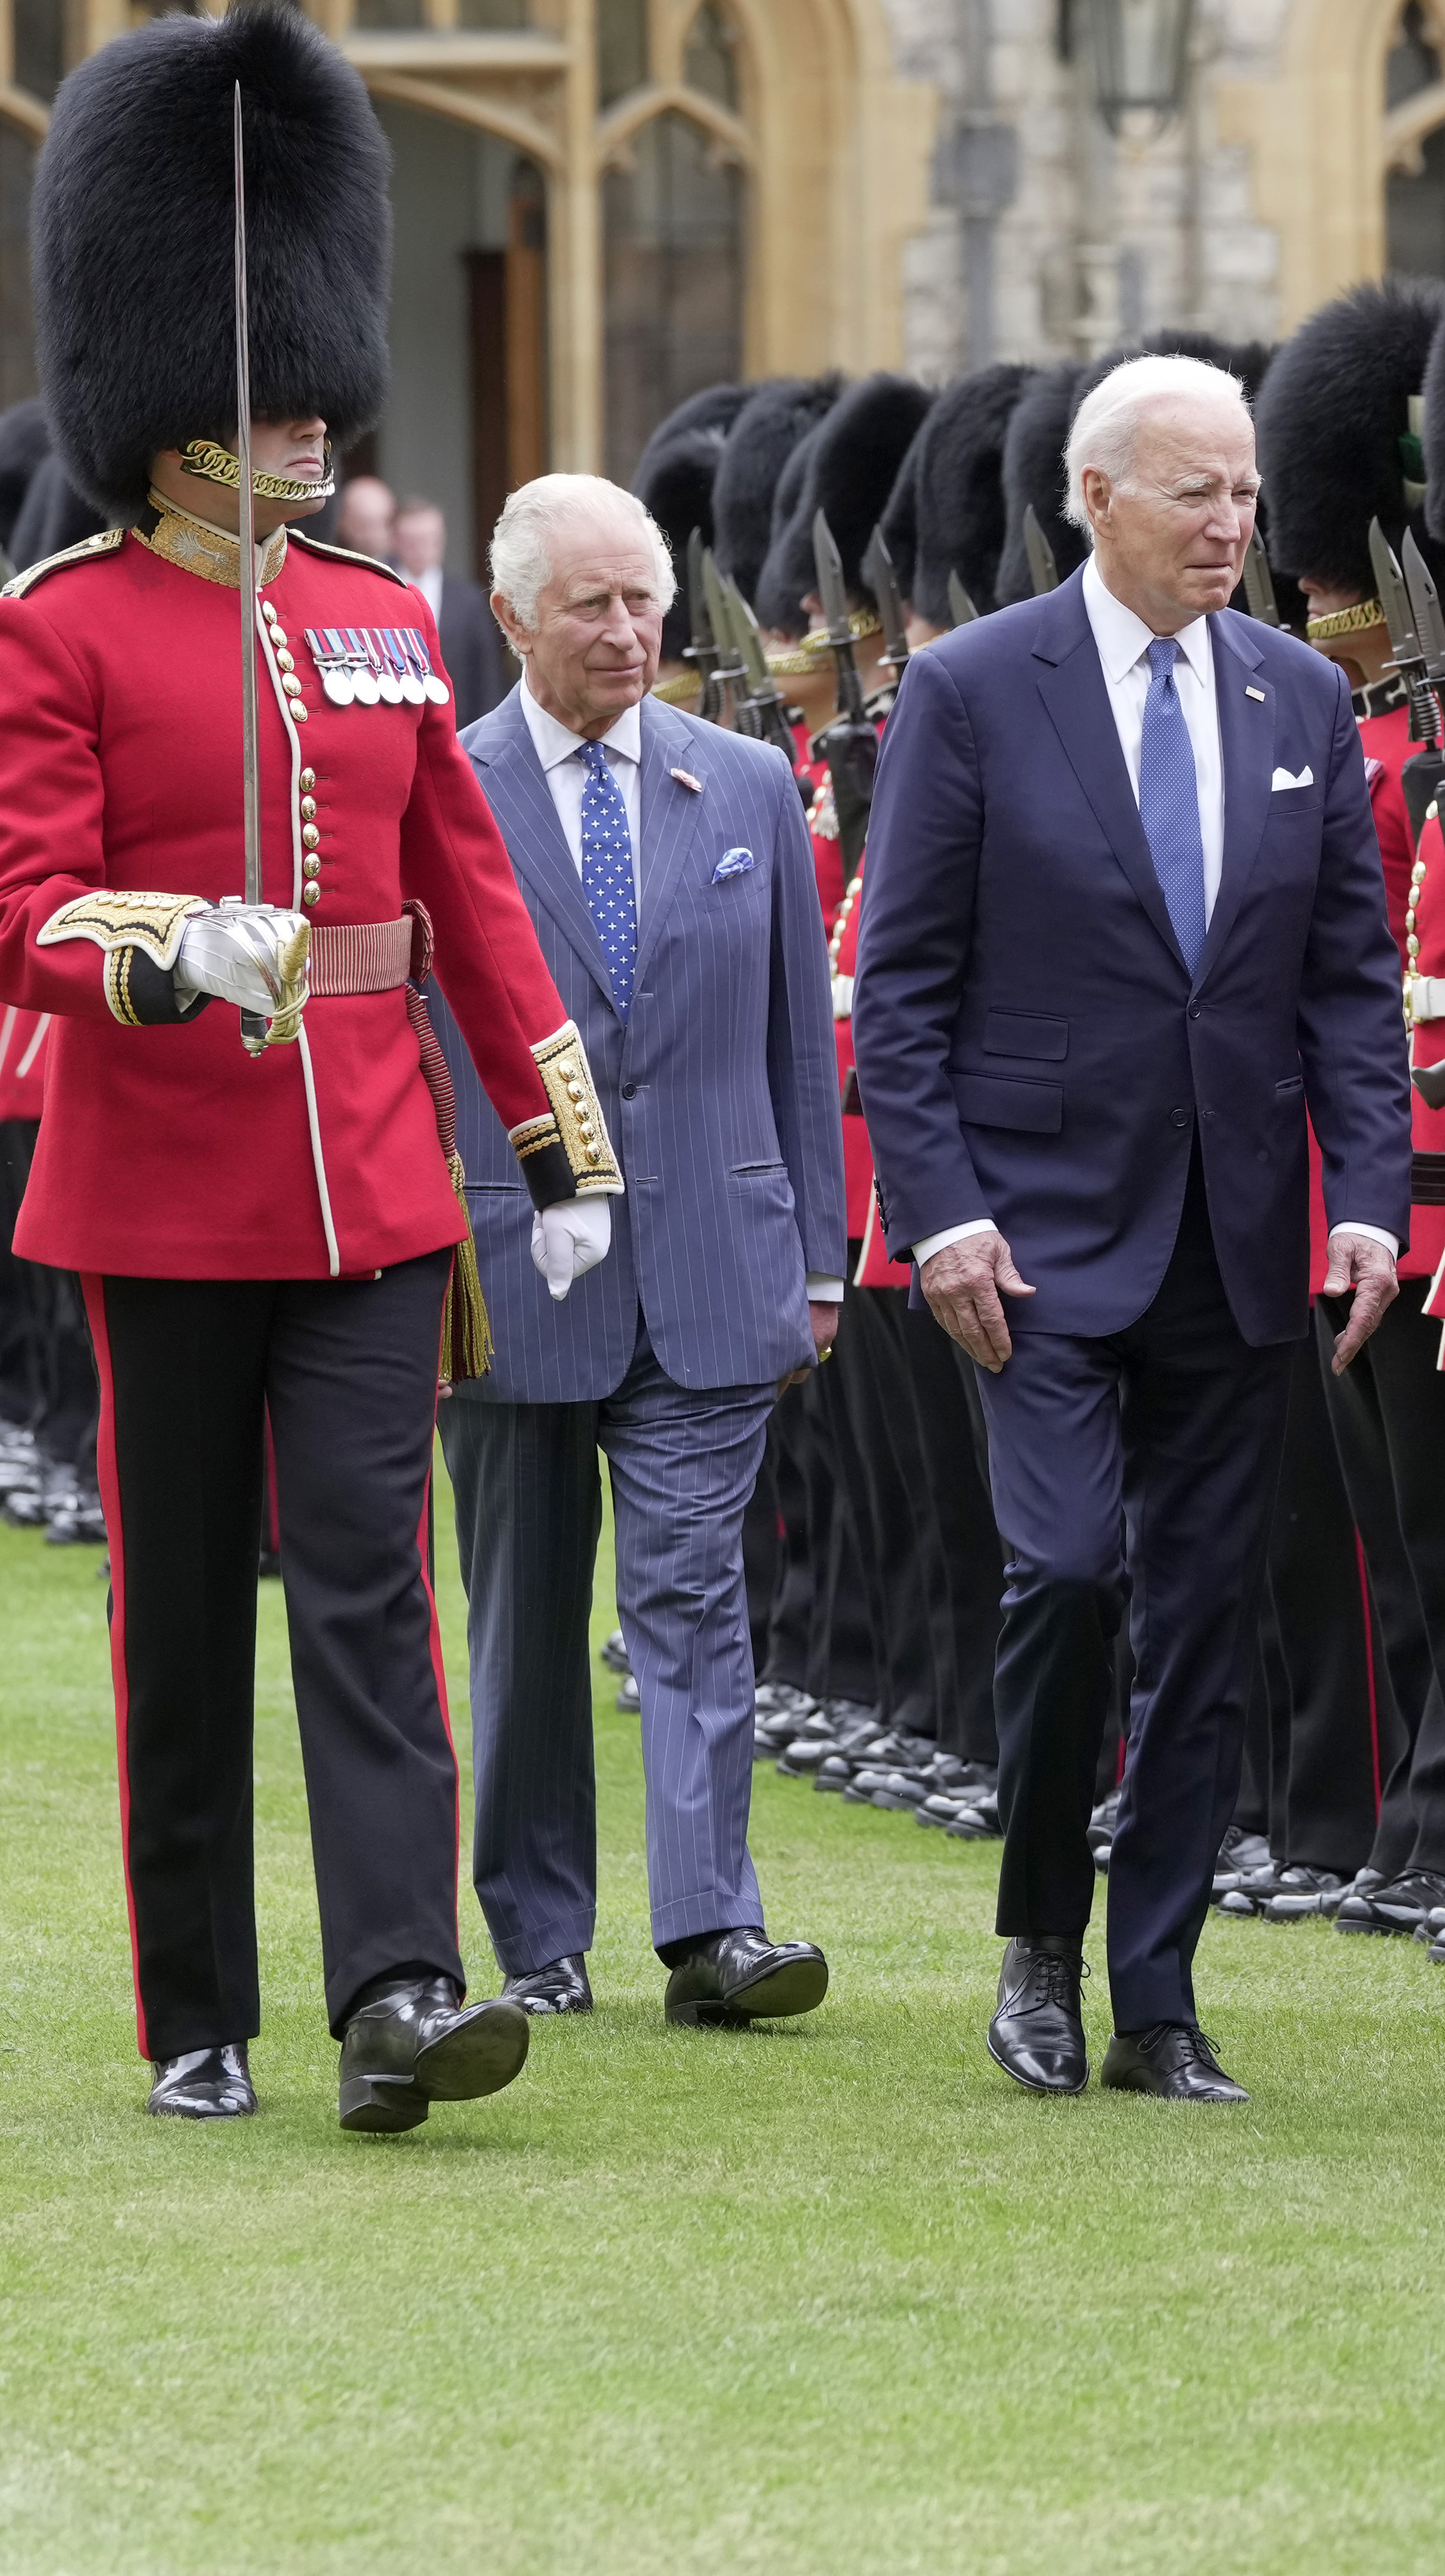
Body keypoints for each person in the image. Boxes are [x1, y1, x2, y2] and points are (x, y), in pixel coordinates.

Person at [0, 1, 621, 2134]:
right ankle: (196, 2004)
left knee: (369, 1578)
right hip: (160, 1178)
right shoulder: (53, 628)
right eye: (272, 382)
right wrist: (164, 952)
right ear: (164, 414)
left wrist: (554, 1125)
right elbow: (5, 909)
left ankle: (399, 1986)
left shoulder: (380, 617)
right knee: (176, 1614)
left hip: (371, 1179)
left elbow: (468, 900)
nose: (312, 409)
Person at [853, 350, 1409, 2105]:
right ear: (1093, 497)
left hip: (1236, 1239)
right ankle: (1037, 1940)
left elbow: (1346, 984)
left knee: (1202, 1611)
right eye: (1195, 491)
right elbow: (903, 989)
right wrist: (935, 1214)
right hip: (1033, 1239)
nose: (1229, 523)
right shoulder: (970, 690)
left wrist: (1372, 1203)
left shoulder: (1296, 699)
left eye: (1243, 491)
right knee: (1070, 1575)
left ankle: (1156, 1987)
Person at [432, 467, 842, 2033]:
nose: (627, 633)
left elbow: (798, 1032)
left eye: (645, 602)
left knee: (692, 1595)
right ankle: (539, 1933)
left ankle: (710, 1926)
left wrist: (819, 1249)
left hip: (714, 1253)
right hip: (518, 1261)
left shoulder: (740, 781)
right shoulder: (448, 788)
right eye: (593, 606)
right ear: (515, 618)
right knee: (526, 1622)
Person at [401, 496, 517, 726]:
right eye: (412, 541)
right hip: (401, 720)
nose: (420, 550)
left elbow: (487, 674)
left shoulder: (468, 600)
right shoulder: (383, 591)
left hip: (459, 723)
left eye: (428, 541)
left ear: (440, 541)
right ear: (396, 541)